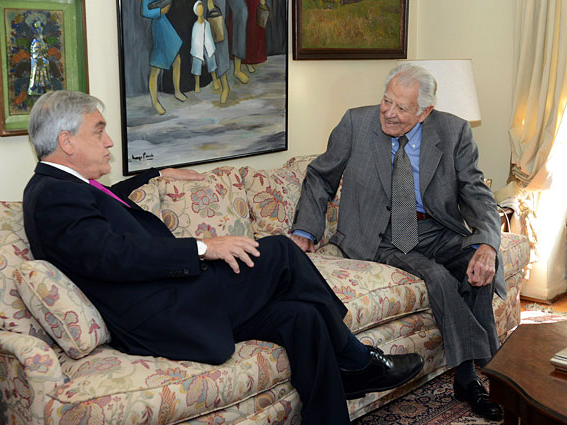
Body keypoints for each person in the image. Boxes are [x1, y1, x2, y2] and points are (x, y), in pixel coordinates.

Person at [22, 90, 424, 425]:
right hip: (165, 315)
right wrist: (204, 246)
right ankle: (357, 358)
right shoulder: (54, 195)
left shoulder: (65, 187)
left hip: (176, 300)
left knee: (302, 315)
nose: (109, 141)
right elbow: (110, 254)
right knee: (281, 251)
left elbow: (106, 207)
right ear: (67, 142)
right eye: (99, 131)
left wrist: (154, 175)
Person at [291, 63, 504, 421]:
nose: (389, 112)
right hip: (380, 234)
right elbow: (320, 176)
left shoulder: (454, 131)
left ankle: (481, 370)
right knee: (437, 277)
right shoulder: (356, 122)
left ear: (425, 112)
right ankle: (474, 375)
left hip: (434, 228)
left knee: (479, 260)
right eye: (386, 101)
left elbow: (475, 192)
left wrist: (487, 245)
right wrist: (305, 230)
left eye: (401, 107)